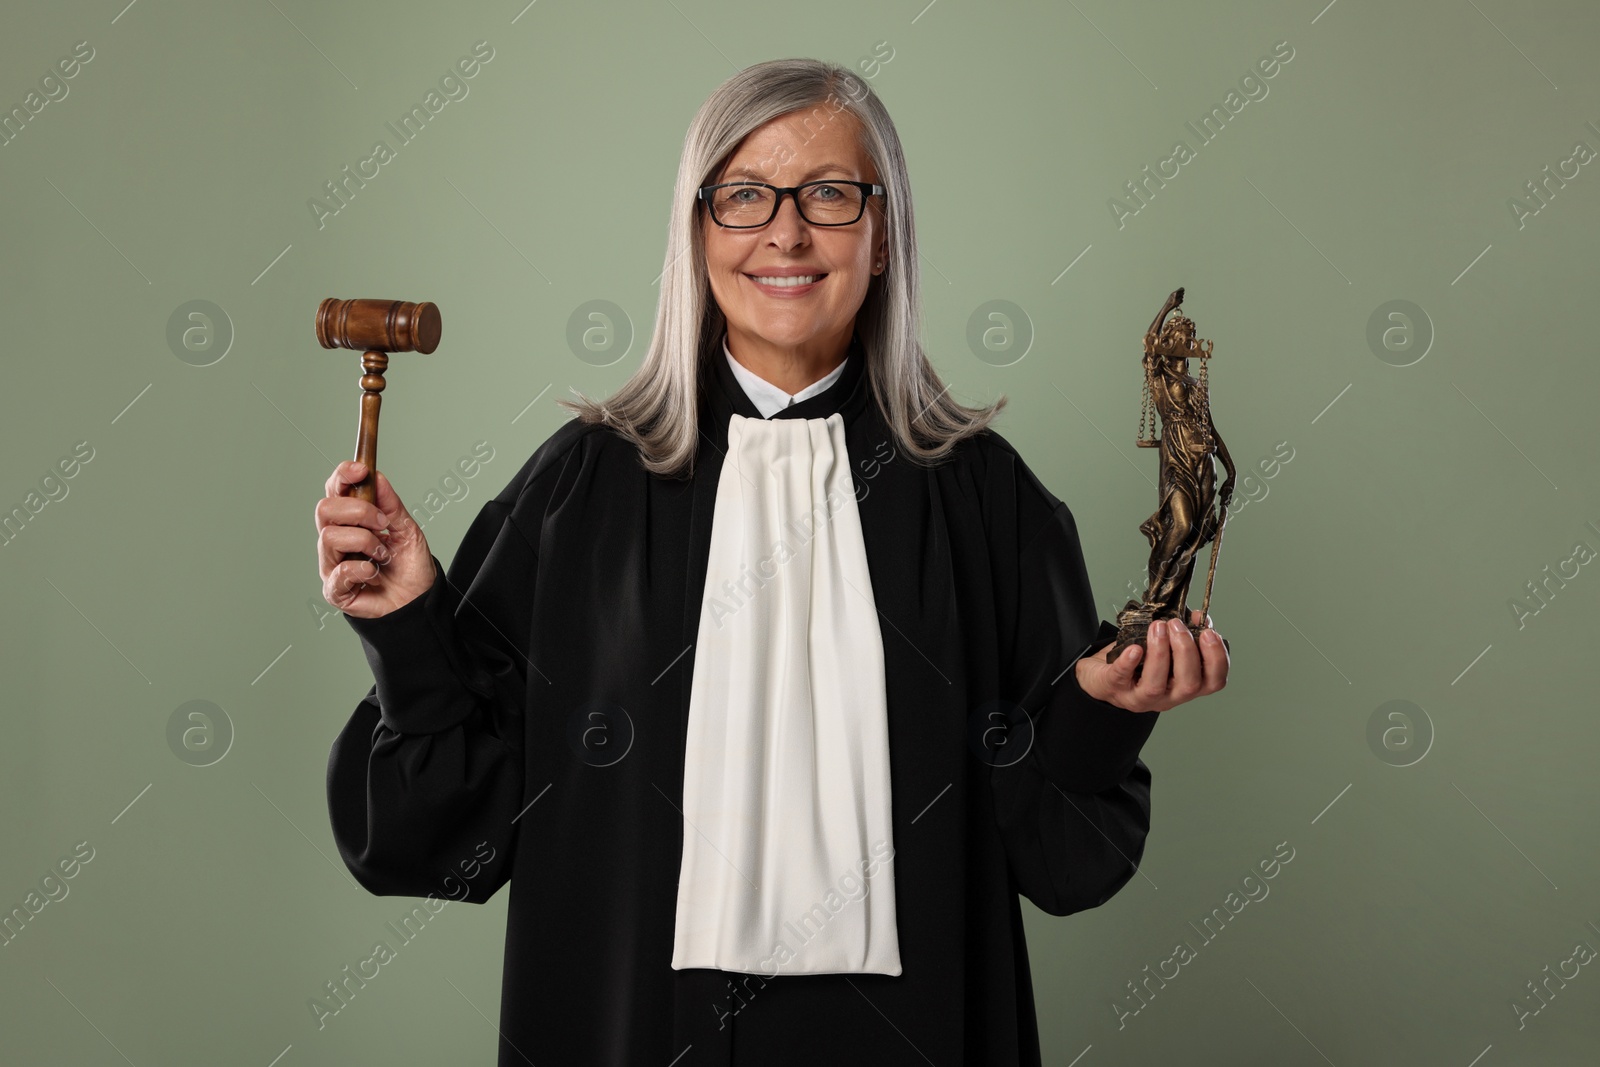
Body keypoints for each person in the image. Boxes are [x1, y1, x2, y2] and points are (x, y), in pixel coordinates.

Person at [317, 58, 1228, 1067]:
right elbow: (440, 835)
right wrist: (410, 626)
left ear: (882, 239)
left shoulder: (985, 500)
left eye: (830, 195)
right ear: (697, 231)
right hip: (637, 1030)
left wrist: (1101, 712)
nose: (785, 233)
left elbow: (1060, 860)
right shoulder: (577, 492)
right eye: (745, 196)